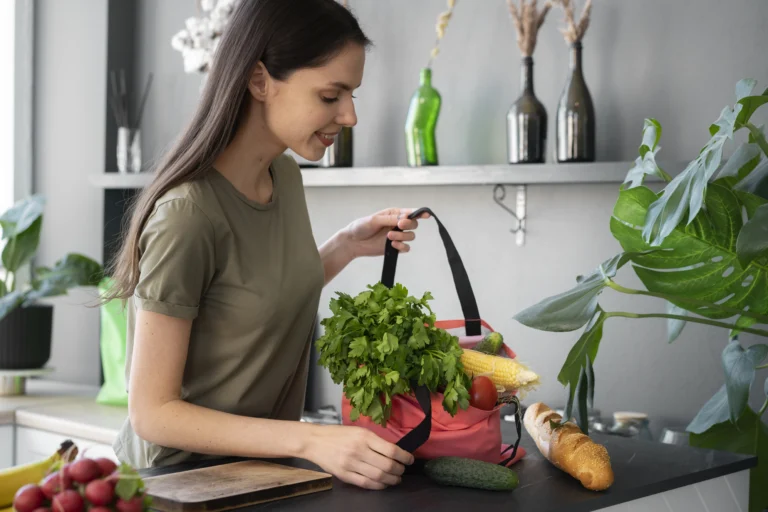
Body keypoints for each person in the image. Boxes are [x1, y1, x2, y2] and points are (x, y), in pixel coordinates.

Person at [103, 0, 427, 491]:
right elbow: (152, 412)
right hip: (176, 487)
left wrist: (344, 245)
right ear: (259, 81)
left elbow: (253, 300)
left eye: (352, 95)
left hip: (254, 479)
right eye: (330, 95)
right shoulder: (188, 214)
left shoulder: (284, 175)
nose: (350, 115)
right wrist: (309, 440)